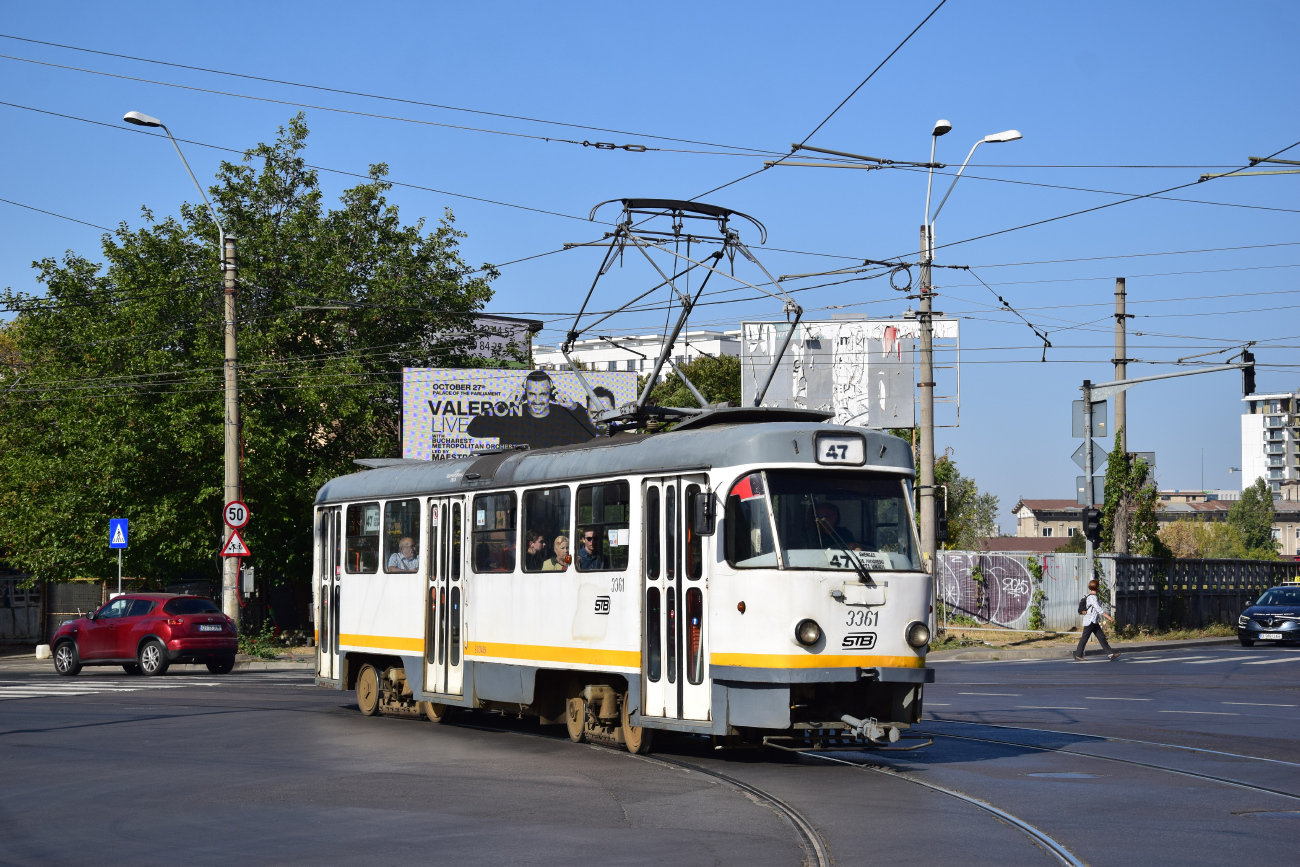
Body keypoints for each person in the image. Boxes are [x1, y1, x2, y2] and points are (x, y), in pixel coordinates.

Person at [467, 370, 597, 449]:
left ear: (551, 393)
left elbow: (591, 434)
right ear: (524, 394)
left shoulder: (563, 415)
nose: (537, 401)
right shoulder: (512, 415)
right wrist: (505, 405)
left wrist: (573, 407)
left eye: (543, 394)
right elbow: (474, 429)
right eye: (532, 394)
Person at [1074, 578, 1121, 661]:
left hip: (1093, 621)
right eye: (1098, 586)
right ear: (1097, 587)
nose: (1099, 588)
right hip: (1090, 621)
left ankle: (1110, 654)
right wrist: (1109, 617)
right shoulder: (1093, 597)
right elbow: (1098, 609)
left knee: (1101, 637)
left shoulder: (1091, 596)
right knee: (1084, 638)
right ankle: (1078, 655)